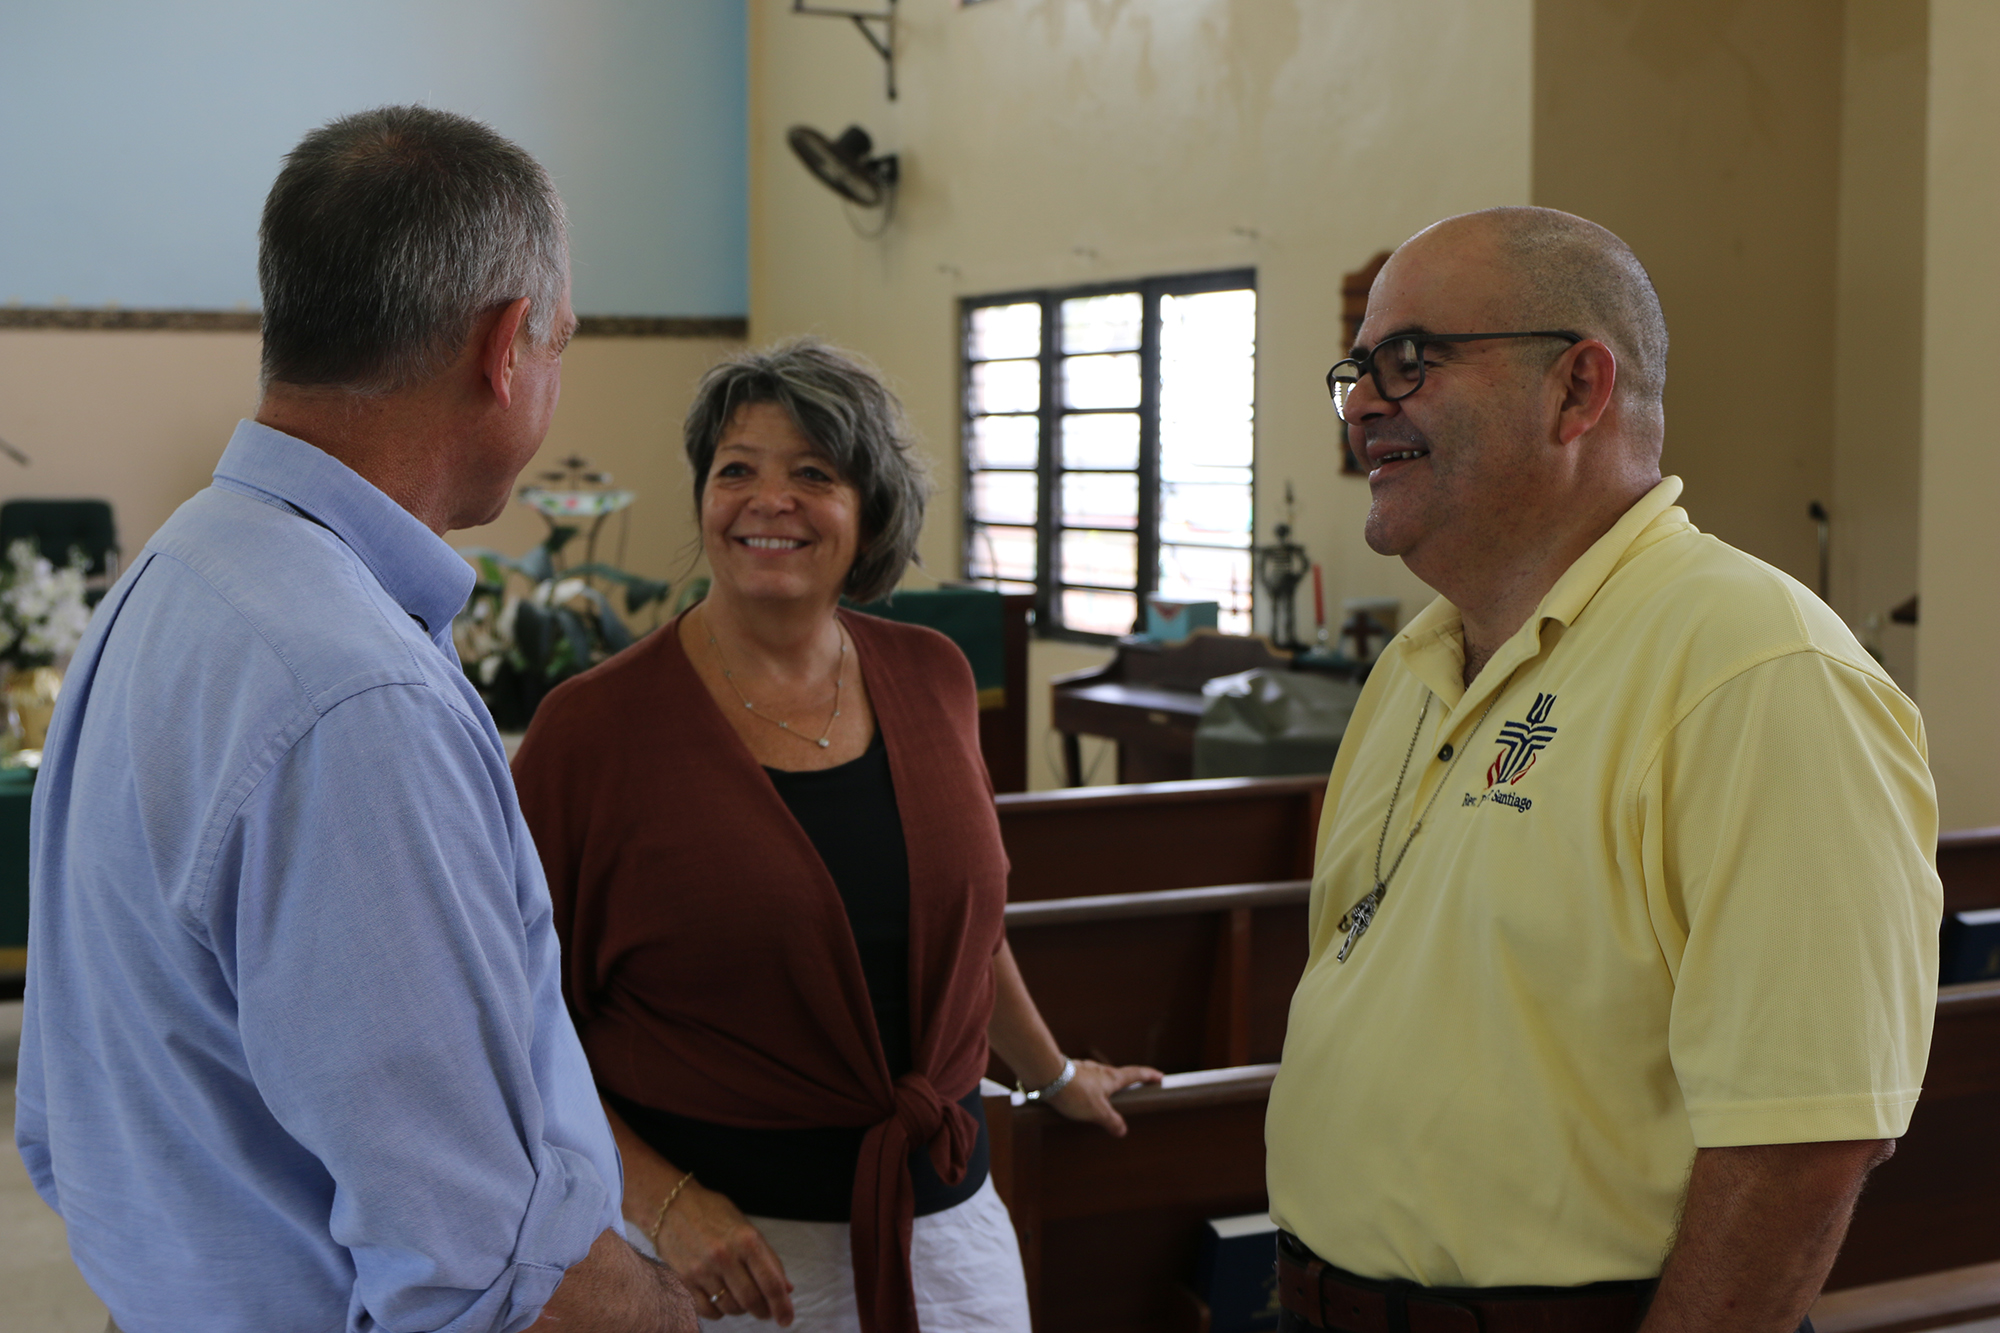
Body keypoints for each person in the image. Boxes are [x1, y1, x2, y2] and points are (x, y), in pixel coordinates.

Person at [14, 106, 697, 1333]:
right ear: (505, 349)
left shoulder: (173, 575)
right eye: (563, 341)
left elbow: (87, 1111)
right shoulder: (350, 696)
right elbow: (486, 1270)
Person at [1265, 207, 1940, 1333]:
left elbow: (1802, 1141)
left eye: (1409, 361)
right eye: (1356, 371)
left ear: (1576, 390)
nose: (1364, 403)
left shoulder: (1755, 667)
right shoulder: (1413, 664)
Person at [511, 338, 1160, 1333]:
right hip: (718, 1263)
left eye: (811, 474)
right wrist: (663, 1205)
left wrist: (1053, 1072)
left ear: (869, 511)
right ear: (701, 498)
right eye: (736, 470)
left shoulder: (933, 676)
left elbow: (965, 928)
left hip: (946, 1236)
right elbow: (516, 1016)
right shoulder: (592, 727)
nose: (768, 500)